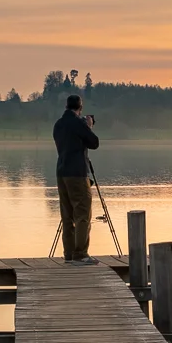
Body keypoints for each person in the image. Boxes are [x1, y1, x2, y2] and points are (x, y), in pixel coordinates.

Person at [53, 93, 100, 261]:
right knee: (82, 213)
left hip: (61, 172)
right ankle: (80, 254)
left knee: (67, 215)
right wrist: (88, 126)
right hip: (77, 174)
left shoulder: (58, 124)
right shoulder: (78, 123)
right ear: (80, 108)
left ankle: (69, 254)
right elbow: (94, 143)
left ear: (66, 106)